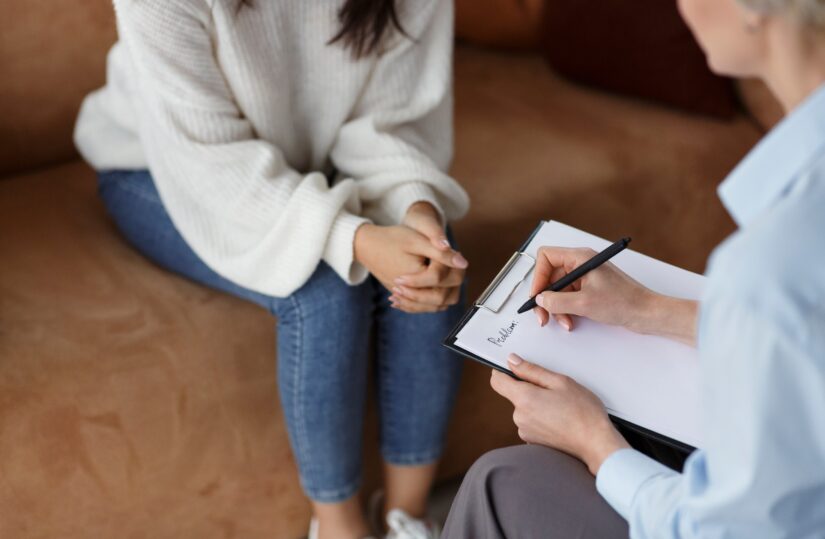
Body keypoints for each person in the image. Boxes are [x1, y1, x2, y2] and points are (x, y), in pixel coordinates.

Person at [73, 1, 470, 538]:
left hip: (311, 161)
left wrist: (416, 210)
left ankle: (409, 516)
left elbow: (391, 125)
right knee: (324, 291)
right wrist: (351, 236)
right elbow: (210, 162)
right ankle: (338, 527)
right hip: (162, 167)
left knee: (429, 260)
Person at [442, 0, 825, 537]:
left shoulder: (769, 263)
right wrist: (646, 309)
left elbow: (728, 531)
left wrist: (595, 443)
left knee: (501, 481)